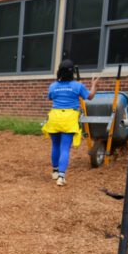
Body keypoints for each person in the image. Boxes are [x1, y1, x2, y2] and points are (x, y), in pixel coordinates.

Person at [43, 59, 98, 187]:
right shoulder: (77, 86)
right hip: (69, 117)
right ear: (72, 72)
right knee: (65, 148)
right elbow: (90, 97)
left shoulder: (53, 86)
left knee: (55, 145)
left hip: (55, 117)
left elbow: (50, 97)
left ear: (59, 71)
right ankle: (61, 177)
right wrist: (93, 84)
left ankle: (55, 172)